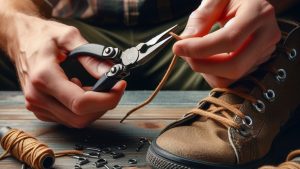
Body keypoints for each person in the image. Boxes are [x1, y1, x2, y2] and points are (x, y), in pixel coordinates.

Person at [0, 0, 298, 128]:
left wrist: (258, 6)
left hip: (208, 23)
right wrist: (17, 29)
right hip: (62, 30)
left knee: (283, 40)